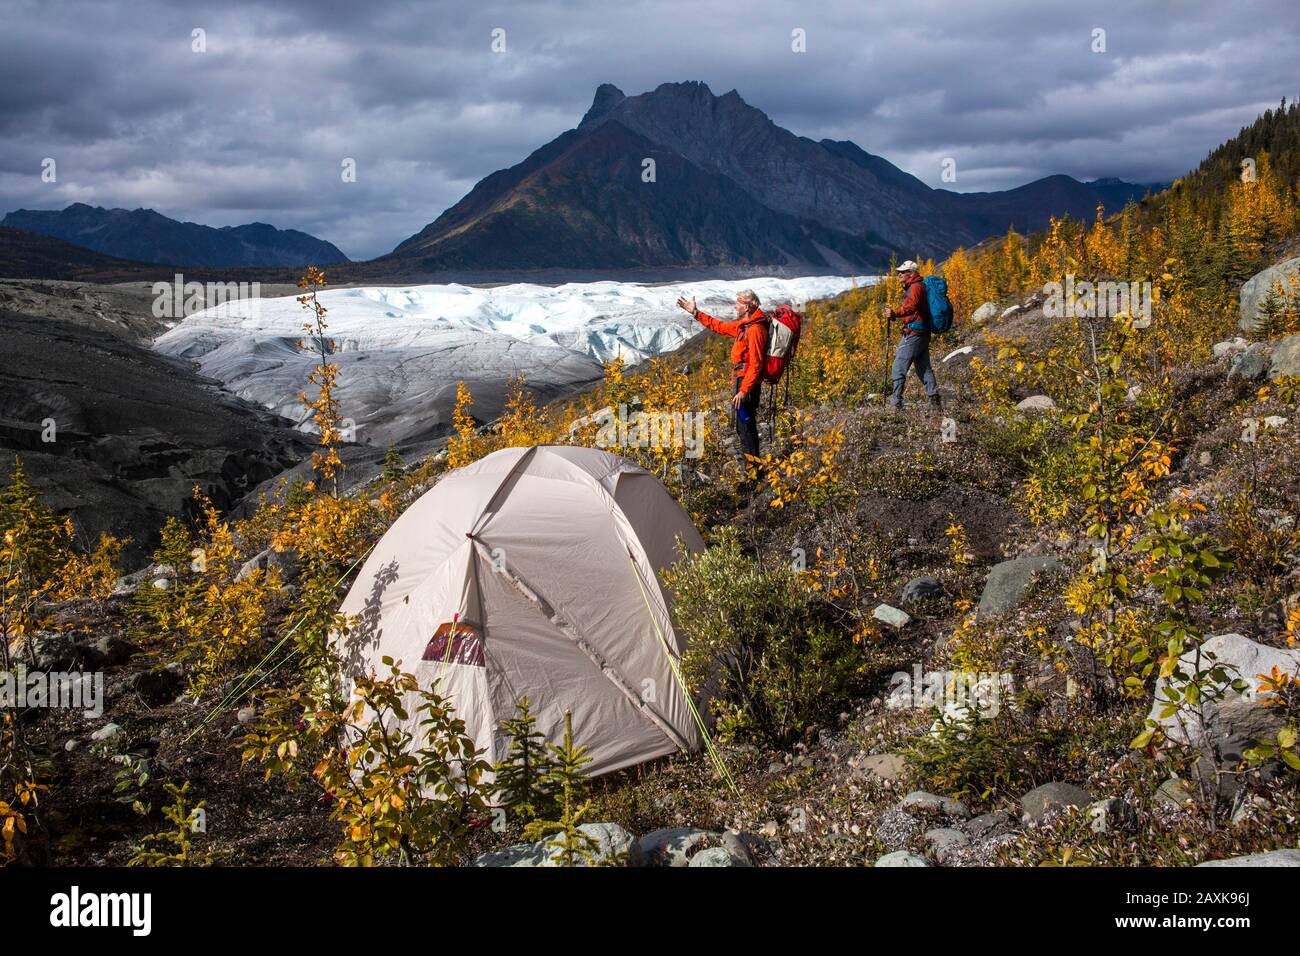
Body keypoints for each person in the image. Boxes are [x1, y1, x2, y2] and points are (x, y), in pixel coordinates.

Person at [676, 289, 769, 465]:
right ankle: (754, 469)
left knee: (745, 428)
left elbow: (756, 364)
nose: (735, 306)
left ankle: (754, 473)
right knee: (744, 427)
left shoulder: (755, 329)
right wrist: (696, 313)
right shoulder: (745, 326)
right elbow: (719, 326)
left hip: (746, 384)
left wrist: (743, 391)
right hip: (741, 380)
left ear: (747, 306)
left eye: (739, 303)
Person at [882, 260, 941, 410]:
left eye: (903, 272)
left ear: (911, 273)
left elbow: (912, 306)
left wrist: (896, 313)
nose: (899, 274)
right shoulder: (917, 285)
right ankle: (935, 401)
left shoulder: (915, 287)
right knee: (923, 368)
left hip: (914, 334)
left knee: (898, 367)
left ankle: (895, 403)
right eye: (899, 272)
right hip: (922, 332)